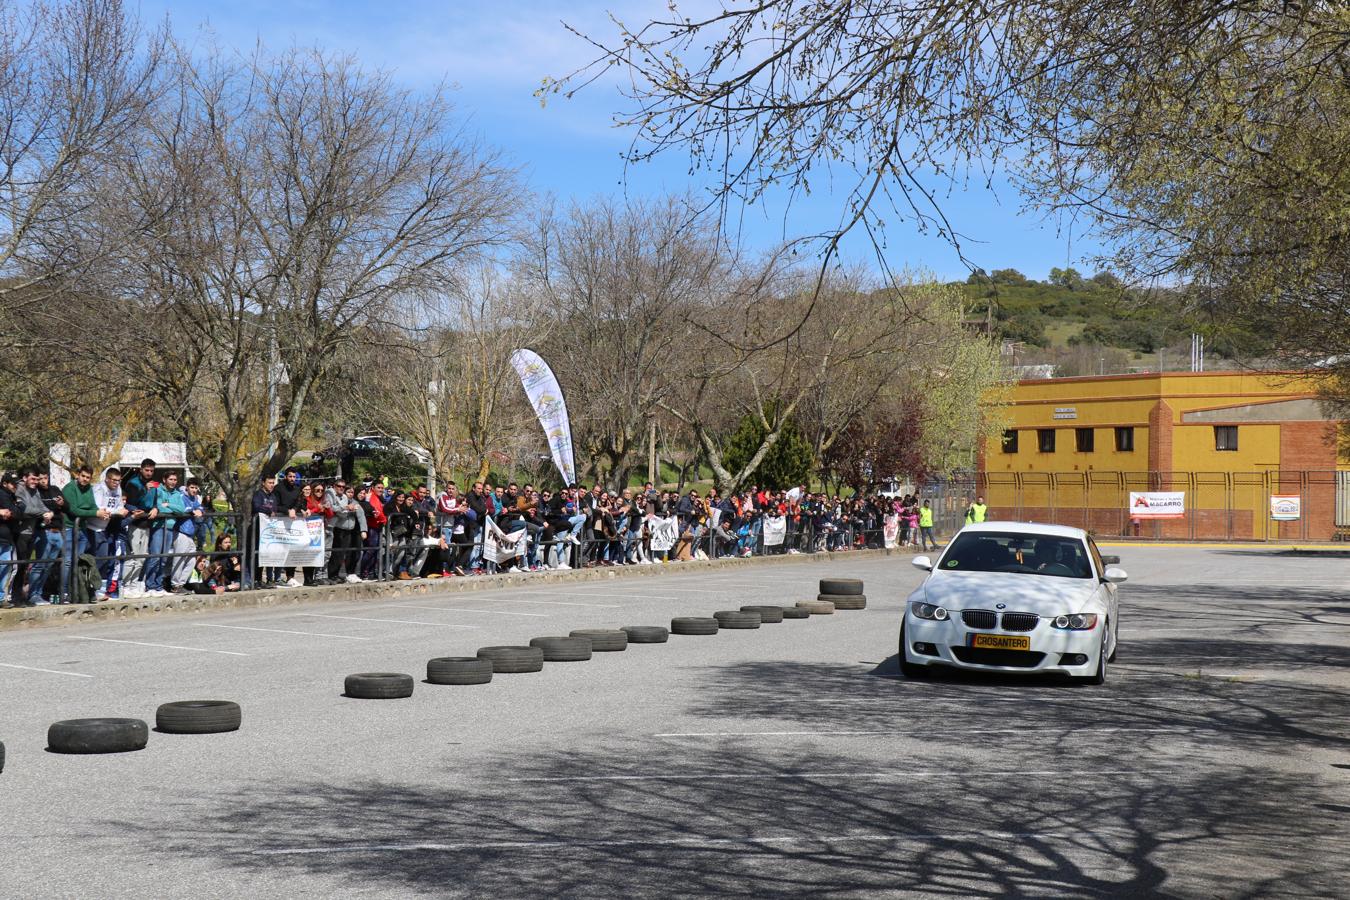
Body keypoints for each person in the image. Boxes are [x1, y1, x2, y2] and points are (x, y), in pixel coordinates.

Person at [60, 465, 102, 601]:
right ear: (77, 475)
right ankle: (64, 591)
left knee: (79, 561)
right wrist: (94, 513)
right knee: (67, 561)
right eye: (83, 476)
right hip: (69, 527)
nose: (85, 479)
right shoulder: (69, 488)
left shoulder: (89, 488)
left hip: (82, 528)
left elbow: (92, 505)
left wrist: (101, 513)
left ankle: (76, 590)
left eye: (88, 477)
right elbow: (74, 510)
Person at [120, 459, 158, 598]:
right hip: (134, 523)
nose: (149, 473)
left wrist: (155, 508)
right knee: (132, 556)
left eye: (151, 470)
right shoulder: (133, 483)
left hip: (146, 524)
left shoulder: (153, 484)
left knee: (142, 557)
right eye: (147, 470)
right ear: (141, 469)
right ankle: (125, 585)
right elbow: (130, 503)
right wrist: (144, 490)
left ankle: (135, 585)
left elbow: (154, 502)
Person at [90, 467, 129, 599]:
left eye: (118, 481)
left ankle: (96, 589)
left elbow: (119, 506)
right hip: (93, 527)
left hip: (106, 527)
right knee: (98, 559)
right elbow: (100, 508)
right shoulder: (98, 489)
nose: (116, 483)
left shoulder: (118, 489)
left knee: (104, 559)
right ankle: (92, 589)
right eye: (114, 480)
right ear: (107, 479)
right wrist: (117, 512)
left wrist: (121, 510)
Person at [168, 478, 206, 593]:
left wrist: (199, 510)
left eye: (196, 488)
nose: (194, 490)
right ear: (187, 487)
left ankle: (181, 583)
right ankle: (175, 585)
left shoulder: (194, 498)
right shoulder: (181, 496)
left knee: (191, 560)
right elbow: (180, 508)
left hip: (190, 533)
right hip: (181, 531)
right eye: (192, 487)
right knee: (179, 559)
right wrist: (192, 511)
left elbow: (200, 507)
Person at [326, 484, 367, 583]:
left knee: (344, 553)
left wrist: (363, 530)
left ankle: (338, 574)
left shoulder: (355, 503)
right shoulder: (340, 501)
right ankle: (332, 574)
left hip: (349, 530)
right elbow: (336, 510)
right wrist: (347, 509)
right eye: (348, 492)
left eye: (352, 492)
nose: (350, 494)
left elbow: (361, 516)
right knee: (336, 553)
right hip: (339, 528)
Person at [0, 472, 19, 605]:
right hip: (1, 536)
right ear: (5, 484)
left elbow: (17, 513)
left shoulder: (12, 496)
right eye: (13, 484)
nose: (15, 486)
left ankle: (1, 598)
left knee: (5, 567)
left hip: (7, 537)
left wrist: (16, 509)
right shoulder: (2, 494)